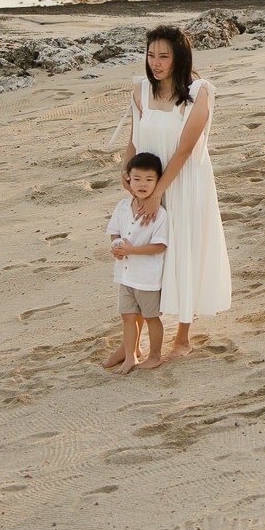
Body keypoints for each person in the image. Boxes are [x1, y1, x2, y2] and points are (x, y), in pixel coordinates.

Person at [122, 24, 232, 359]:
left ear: (179, 57)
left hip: (185, 185)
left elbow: (185, 150)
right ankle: (130, 342)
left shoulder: (199, 92)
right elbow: (134, 140)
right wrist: (129, 180)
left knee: (182, 252)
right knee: (140, 257)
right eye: (151, 55)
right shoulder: (140, 90)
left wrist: (159, 194)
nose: (155, 62)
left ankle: (182, 336)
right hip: (148, 185)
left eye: (163, 56)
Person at [104, 152, 168, 373]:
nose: (143, 184)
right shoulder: (122, 206)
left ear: (158, 182)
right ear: (128, 179)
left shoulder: (160, 215)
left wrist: (131, 250)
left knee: (151, 317)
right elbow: (114, 232)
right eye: (137, 178)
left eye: (149, 180)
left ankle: (156, 355)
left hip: (147, 278)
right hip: (125, 274)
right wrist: (117, 247)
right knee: (128, 317)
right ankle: (131, 355)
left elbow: (160, 246)